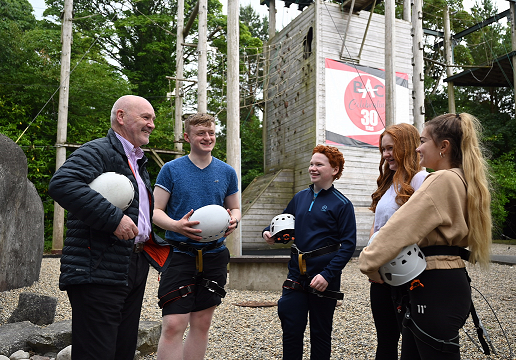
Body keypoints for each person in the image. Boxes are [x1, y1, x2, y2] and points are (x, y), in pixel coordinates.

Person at [48, 95, 172, 360]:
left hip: (132, 263)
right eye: (145, 118)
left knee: (122, 350)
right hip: (98, 265)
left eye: (153, 119)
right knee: (97, 352)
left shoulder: (138, 161)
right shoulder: (99, 150)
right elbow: (62, 184)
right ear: (121, 117)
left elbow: (139, 213)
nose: (151, 124)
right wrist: (113, 219)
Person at [359, 113, 492, 359]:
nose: (418, 148)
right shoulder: (464, 178)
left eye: (423, 141)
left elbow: (400, 228)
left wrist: (369, 262)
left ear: (444, 147)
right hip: (447, 281)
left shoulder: (440, 180)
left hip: (434, 285)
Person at [153, 113, 241, 360]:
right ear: (187, 137)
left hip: (214, 255)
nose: (207, 137)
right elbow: (155, 212)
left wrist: (234, 219)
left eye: (211, 132)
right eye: (201, 133)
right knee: (173, 324)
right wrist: (176, 226)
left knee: (201, 323)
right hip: (179, 253)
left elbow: (234, 207)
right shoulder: (170, 170)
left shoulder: (227, 171)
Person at [262, 144, 357, 360]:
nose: (312, 168)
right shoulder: (300, 197)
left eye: (319, 164)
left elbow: (348, 245)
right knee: (291, 330)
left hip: (324, 279)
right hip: (296, 277)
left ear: (334, 170)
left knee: (320, 334)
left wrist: (327, 275)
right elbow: (281, 221)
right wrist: (267, 233)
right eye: (311, 164)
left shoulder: (342, 204)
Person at [368, 123, 428, 360]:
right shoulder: (389, 182)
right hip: (380, 276)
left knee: (411, 344)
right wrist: (371, 258)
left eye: (391, 148)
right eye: (383, 149)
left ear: (407, 146)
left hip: (407, 276)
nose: (385, 155)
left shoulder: (422, 179)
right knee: (385, 341)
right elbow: (378, 224)